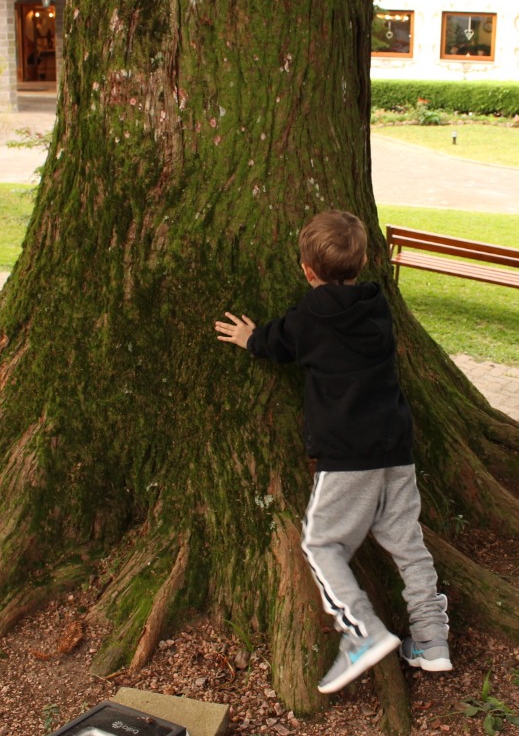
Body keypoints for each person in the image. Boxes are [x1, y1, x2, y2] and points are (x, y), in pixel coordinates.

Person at [214, 210, 451, 694]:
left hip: (349, 457)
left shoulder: (310, 318)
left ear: (307, 270)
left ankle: (363, 632)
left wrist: (248, 337)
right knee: (407, 543)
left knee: (321, 544)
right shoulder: (378, 306)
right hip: (396, 447)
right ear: (362, 263)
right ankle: (433, 642)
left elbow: (276, 343)